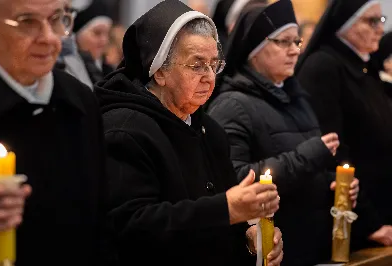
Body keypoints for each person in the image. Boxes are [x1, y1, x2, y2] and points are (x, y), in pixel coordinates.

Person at [94, 1, 283, 266]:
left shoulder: (211, 131)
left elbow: (224, 218)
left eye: (213, 65)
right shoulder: (124, 130)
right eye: (197, 65)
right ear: (160, 71)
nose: (209, 77)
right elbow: (132, 228)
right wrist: (226, 209)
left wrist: (249, 237)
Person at [206, 1, 362, 265]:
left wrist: (332, 184)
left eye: (297, 42)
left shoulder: (297, 97)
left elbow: (307, 166)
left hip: (313, 244)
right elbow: (235, 179)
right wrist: (308, 156)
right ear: (254, 48)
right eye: (284, 42)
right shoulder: (231, 105)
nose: (294, 51)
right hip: (274, 249)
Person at [0, 0, 107, 265]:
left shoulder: (81, 101)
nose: (48, 37)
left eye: (56, 19)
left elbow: (101, 220)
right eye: (27, 22)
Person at [296, 0, 392, 249]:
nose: (380, 30)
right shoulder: (323, 67)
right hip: (353, 223)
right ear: (346, 24)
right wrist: (369, 223)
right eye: (372, 21)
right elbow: (333, 151)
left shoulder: (362, 66)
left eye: (381, 21)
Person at [73, 0, 113, 85]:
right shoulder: (66, 69)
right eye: (97, 33)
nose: (104, 40)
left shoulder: (110, 71)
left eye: (107, 33)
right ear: (77, 36)